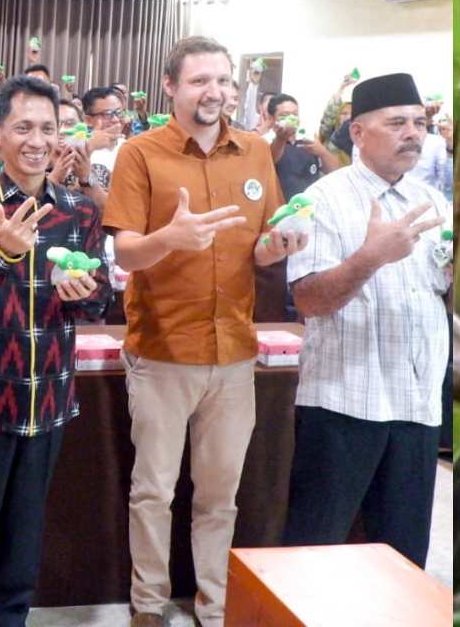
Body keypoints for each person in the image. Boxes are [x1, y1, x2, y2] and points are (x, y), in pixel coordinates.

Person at [103, 36, 307, 627]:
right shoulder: (140, 153)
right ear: (171, 87)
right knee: (154, 492)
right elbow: (126, 253)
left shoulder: (255, 152)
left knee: (220, 496)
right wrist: (169, 238)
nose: (213, 92)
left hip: (234, 353)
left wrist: (278, 245)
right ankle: (148, 605)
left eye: (222, 80)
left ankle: (213, 606)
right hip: (164, 349)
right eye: (199, 81)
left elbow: (262, 244)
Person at [0, 75, 110, 627]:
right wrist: (2, 251)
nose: (37, 141)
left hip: (48, 396)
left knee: (26, 525)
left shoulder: (79, 211)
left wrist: (86, 292)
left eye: (47, 128)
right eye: (23, 128)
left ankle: (12, 617)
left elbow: (100, 300)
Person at [281, 73, 450, 568]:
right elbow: (309, 300)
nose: (412, 133)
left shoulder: (434, 202)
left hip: (416, 405)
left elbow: (443, 295)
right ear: (357, 132)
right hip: (343, 404)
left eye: (418, 123)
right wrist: (370, 257)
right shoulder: (323, 199)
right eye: (396, 123)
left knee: (402, 559)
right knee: (314, 550)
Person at [263, 93, 343, 201]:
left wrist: (322, 152)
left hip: (309, 206)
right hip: (280, 207)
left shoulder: (308, 138)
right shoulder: (265, 141)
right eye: (284, 115)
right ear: (271, 118)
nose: (291, 119)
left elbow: (337, 172)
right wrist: (281, 139)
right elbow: (270, 162)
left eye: (295, 114)